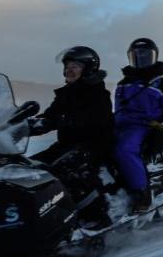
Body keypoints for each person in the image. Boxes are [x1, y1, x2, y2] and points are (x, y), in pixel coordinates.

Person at [29, 46, 114, 228]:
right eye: (67, 65)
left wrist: (62, 120)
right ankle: (39, 219)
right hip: (67, 144)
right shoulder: (66, 93)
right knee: (29, 168)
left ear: (88, 68)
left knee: (68, 169)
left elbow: (95, 118)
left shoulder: (98, 92)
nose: (69, 69)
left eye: (75, 65)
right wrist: (27, 125)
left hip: (94, 144)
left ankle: (96, 218)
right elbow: (51, 115)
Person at [113, 37, 163, 213]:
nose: (140, 59)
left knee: (125, 150)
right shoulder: (123, 83)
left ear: (154, 57)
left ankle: (142, 193)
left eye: (145, 56)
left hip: (144, 127)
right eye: (136, 56)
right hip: (119, 125)